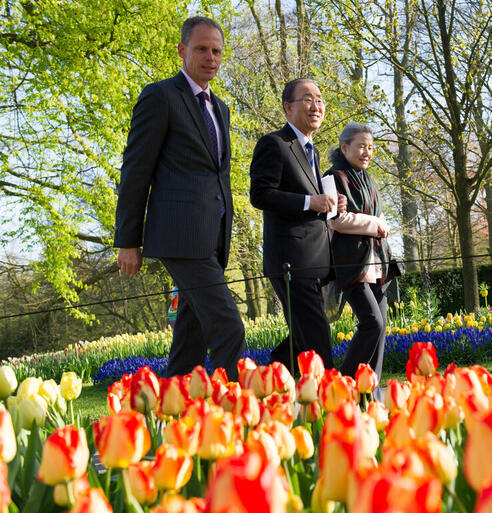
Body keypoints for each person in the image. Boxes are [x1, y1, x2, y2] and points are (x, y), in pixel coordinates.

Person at [114, 16, 244, 380]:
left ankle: (174, 404)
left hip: (214, 237)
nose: (211, 58)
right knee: (229, 327)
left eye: (216, 51)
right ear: (182, 50)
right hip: (180, 236)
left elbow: (216, 175)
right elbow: (136, 170)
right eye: (202, 49)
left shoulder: (220, 108)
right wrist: (128, 240)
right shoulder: (160, 97)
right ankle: (232, 410)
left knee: (191, 337)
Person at [249, 79, 343, 372]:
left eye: (320, 99)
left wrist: (331, 205)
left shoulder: (313, 151)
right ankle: (329, 394)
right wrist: (309, 201)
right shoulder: (274, 144)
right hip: (292, 262)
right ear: (288, 107)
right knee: (316, 340)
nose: (316, 106)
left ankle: (266, 380)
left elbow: (313, 203)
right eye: (308, 99)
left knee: (301, 342)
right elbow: (260, 194)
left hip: (317, 262)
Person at [326, 123, 392, 382]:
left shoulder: (369, 180)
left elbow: (380, 215)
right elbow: (336, 220)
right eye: (362, 146)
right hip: (351, 263)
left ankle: (370, 394)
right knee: (372, 323)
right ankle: (343, 382)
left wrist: (381, 224)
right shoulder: (334, 177)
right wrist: (375, 224)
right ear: (344, 148)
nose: (367, 153)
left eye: (371, 148)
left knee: (381, 329)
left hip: (377, 262)